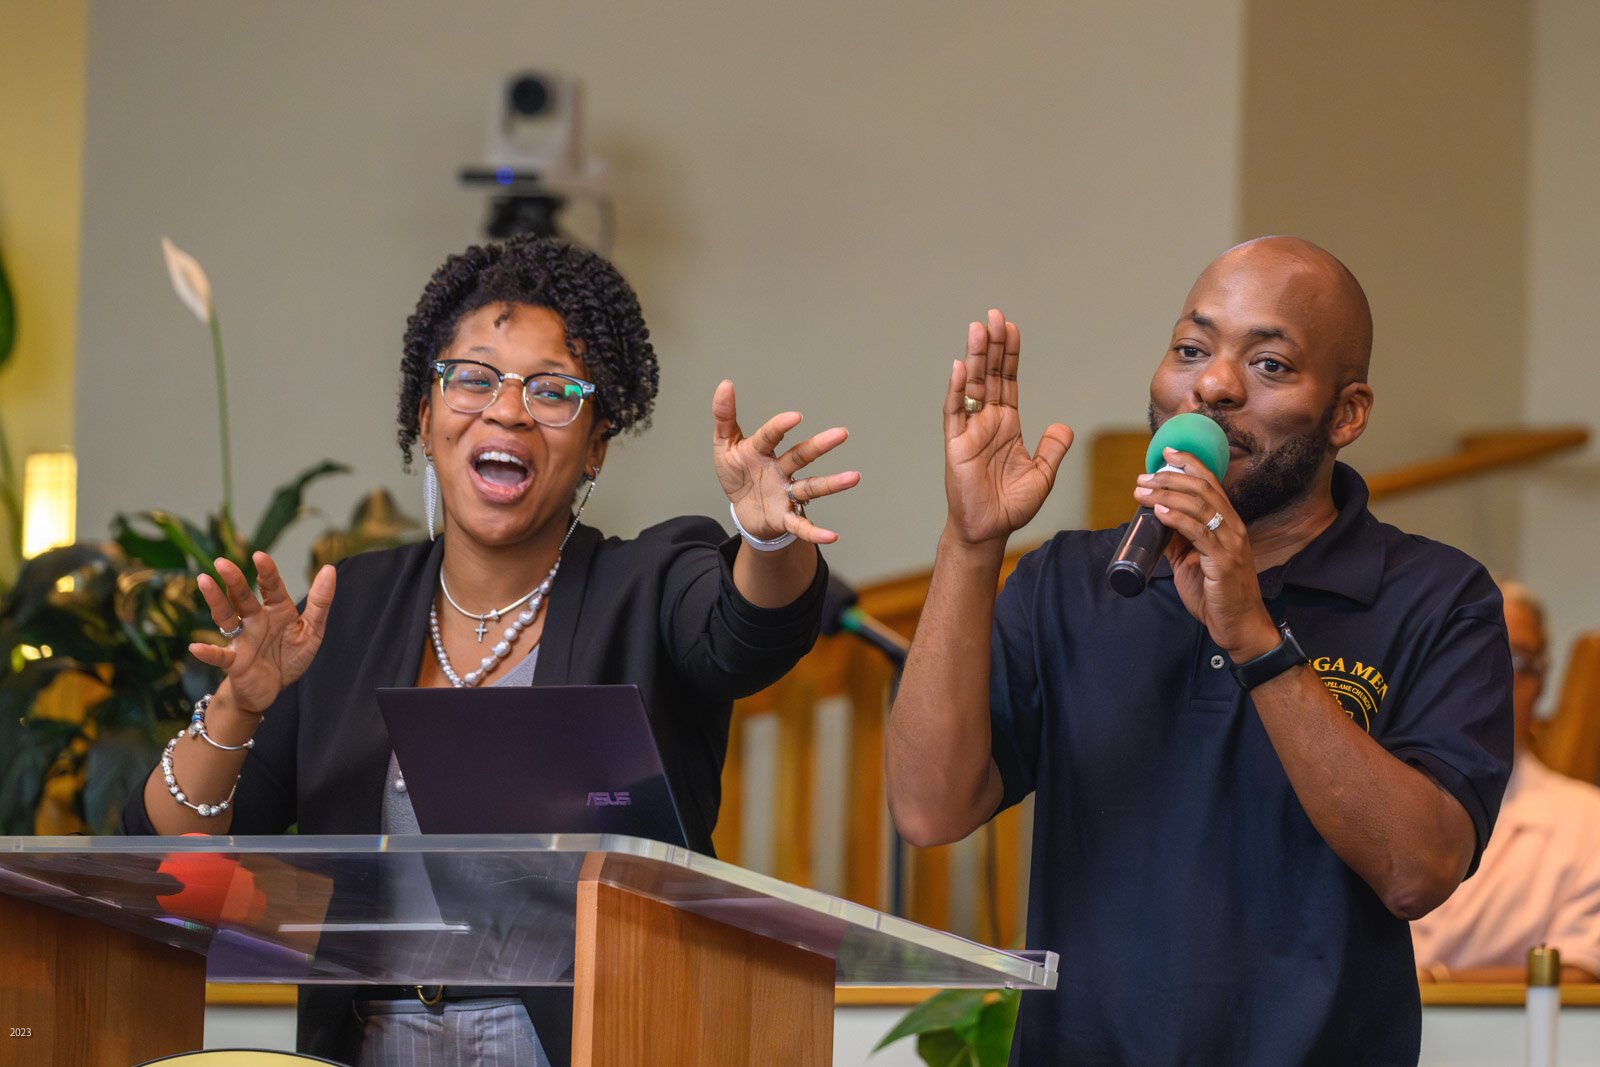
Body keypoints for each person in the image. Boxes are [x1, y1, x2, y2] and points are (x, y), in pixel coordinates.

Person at [120, 235, 859, 1065]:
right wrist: (239, 706)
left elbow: (744, 636)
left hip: (595, 1042)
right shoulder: (349, 609)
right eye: (473, 377)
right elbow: (170, 854)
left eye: (552, 390)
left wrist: (764, 542)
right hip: (370, 1043)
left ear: (597, 444)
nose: (506, 410)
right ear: (425, 413)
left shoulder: (645, 583)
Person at [886, 236, 1513, 1065]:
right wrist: (971, 542)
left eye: (1271, 366)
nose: (1212, 385)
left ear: (1347, 414)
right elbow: (931, 809)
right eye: (1191, 349)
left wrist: (1253, 635)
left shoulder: (1437, 596)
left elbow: (1417, 870)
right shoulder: (1071, 580)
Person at [1413, 580, 1600, 982]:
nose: (1494, 682)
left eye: (1516, 661)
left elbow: (1577, 973)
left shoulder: (1588, 821)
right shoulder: (1366, 792)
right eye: (1472, 656)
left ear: (1542, 682)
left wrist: (1434, 982)